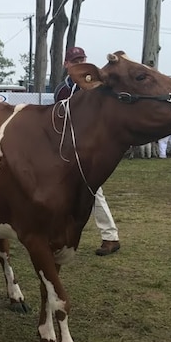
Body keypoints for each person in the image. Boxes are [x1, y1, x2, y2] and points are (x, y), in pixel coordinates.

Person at [54, 46, 121, 256]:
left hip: (89, 147)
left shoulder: (94, 86)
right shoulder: (62, 89)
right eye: (75, 61)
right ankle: (59, 233)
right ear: (67, 64)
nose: (79, 63)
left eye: (82, 59)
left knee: (93, 191)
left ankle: (110, 236)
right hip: (65, 147)